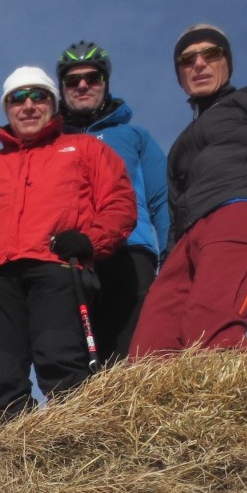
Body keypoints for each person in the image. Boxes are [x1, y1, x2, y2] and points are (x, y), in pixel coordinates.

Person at [0, 66, 136, 429]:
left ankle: (80, 452)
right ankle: (18, 465)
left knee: (61, 363)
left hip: (56, 269)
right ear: (6, 108)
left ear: (53, 104)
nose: (28, 106)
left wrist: (90, 240)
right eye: (17, 98)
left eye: (39, 96)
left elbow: (120, 204)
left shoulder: (85, 149)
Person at [131, 24, 247, 355]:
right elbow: (175, 208)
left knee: (210, 330)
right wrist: (168, 263)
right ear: (180, 74)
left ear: (226, 62)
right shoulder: (180, 146)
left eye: (210, 54)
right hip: (186, 238)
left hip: (237, 211)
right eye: (187, 60)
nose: (199, 64)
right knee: (148, 352)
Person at [56, 41, 169, 364]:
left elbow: (162, 199)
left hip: (131, 252)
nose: (82, 85)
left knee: (136, 352)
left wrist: (171, 256)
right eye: (72, 80)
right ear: (62, 89)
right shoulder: (53, 143)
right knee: (79, 359)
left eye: (92, 77)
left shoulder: (134, 136)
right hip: (71, 257)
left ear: (105, 83)